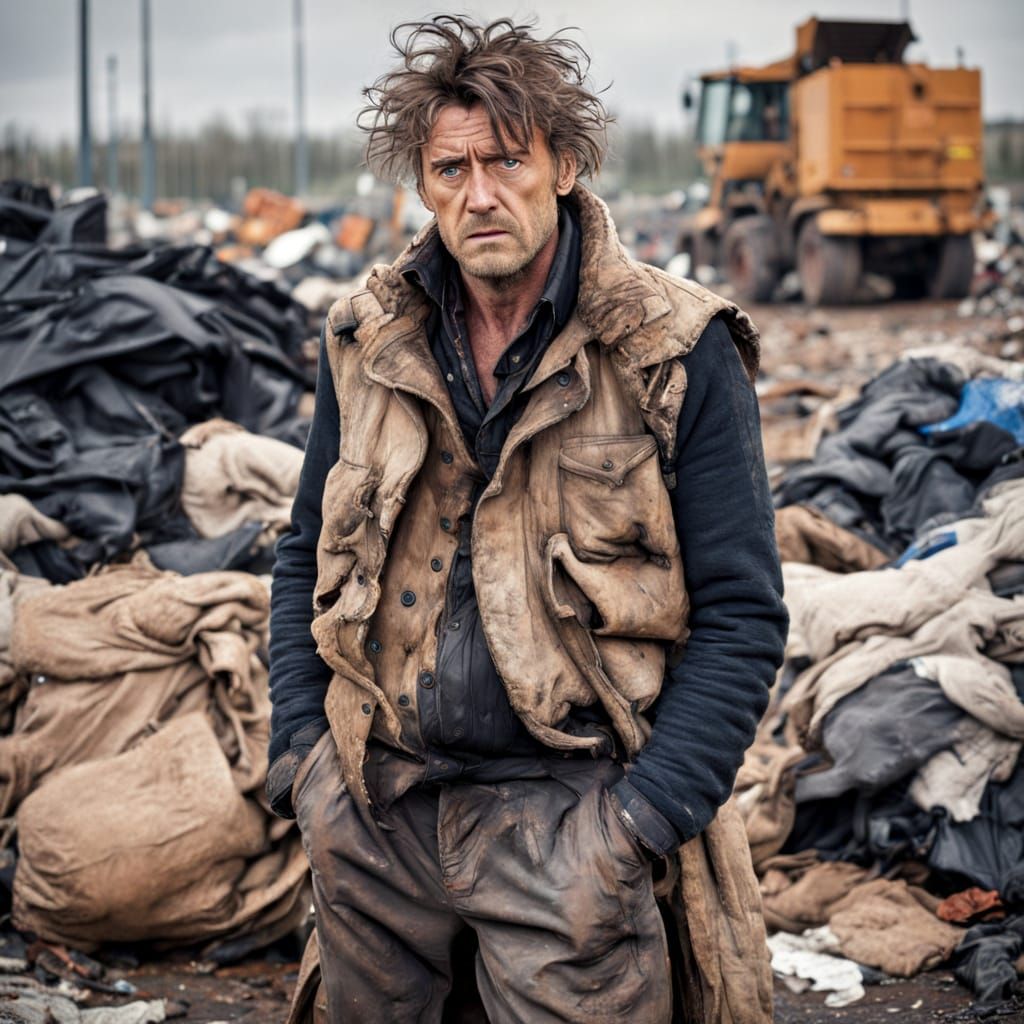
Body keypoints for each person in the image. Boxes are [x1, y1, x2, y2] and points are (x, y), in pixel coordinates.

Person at [268, 16, 787, 1024]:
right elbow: (302, 557)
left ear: (563, 165)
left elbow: (743, 615)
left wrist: (634, 827)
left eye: (507, 160)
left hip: (571, 827)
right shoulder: (366, 341)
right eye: (450, 169)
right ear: (423, 186)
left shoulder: (674, 351)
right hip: (375, 818)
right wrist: (305, 769)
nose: (480, 194)